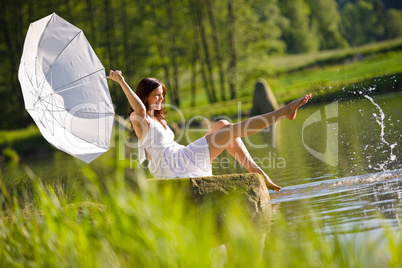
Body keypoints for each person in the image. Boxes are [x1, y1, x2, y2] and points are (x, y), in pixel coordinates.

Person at [107, 70, 311, 191]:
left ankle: (258, 172)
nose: (161, 99)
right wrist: (121, 82)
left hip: (180, 156)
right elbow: (140, 109)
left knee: (222, 123)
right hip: (174, 165)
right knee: (231, 130)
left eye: (162, 95)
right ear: (145, 96)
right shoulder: (138, 118)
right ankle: (284, 112)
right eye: (156, 95)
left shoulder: (158, 119)